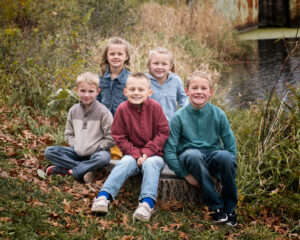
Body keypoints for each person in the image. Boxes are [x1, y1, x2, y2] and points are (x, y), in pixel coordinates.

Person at [91, 73, 169, 222]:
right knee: (124, 163)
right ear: (125, 92)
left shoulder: (155, 108)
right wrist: (135, 154)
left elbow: (163, 132)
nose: (136, 93)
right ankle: (103, 197)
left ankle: (146, 204)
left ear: (149, 92)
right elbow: (119, 136)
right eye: (132, 89)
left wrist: (147, 153)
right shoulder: (122, 109)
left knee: (152, 164)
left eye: (141, 89)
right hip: (131, 154)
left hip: (154, 155)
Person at [164, 70, 238, 226]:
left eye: (203, 88)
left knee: (226, 157)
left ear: (210, 92)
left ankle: (230, 207)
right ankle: (216, 205)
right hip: (190, 158)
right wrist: (185, 174)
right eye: (194, 88)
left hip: (212, 156)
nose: (199, 91)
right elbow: (169, 150)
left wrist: (222, 172)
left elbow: (230, 145)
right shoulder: (178, 117)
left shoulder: (219, 114)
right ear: (186, 91)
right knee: (193, 154)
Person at [45, 72, 114, 183]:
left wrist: (96, 148)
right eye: (83, 91)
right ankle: (86, 170)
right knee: (50, 151)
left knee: (103, 158)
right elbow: (69, 133)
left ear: (97, 92)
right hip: (77, 152)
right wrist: (76, 145)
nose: (86, 95)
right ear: (77, 90)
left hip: (96, 154)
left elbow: (111, 138)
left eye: (91, 91)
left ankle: (70, 171)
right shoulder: (73, 110)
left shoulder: (103, 112)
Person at [146, 47, 188, 122]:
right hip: (150, 126)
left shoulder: (176, 80)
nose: (159, 67)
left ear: (170, 66)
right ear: (149, 64)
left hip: (170, 125)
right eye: (156, 63)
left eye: (164, 64)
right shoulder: (144, 80)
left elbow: (183, 99)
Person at [96, 37, 131, 116]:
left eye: (120, 54)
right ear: (106, 56)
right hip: (103, 121)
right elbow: (95, 100)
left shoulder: (131, 79)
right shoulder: (100, 77)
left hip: (122, 122)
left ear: (126, 56)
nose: (116, 56)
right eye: (112, 54)